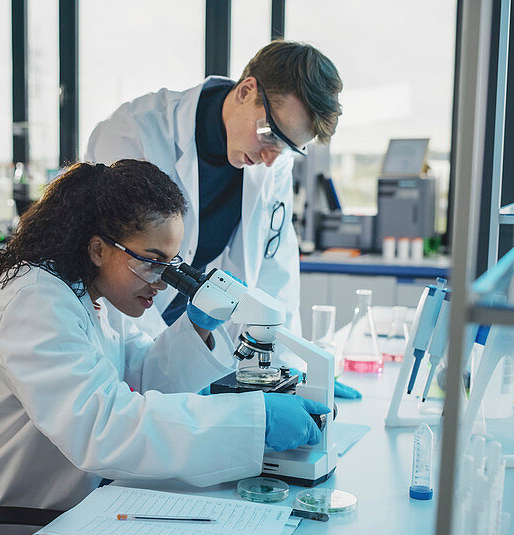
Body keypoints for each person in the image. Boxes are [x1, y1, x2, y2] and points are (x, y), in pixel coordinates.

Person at [0, 160, 327, 535]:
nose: (163, 283)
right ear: (98, 249)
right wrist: (254, 420)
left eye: (171, 264)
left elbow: (141, 377)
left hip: (58, 510)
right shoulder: (34, 301)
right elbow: (104, 427)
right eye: (152, 262)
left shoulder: (89, 292)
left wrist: (199, 325)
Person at [86, 40, 343, 348]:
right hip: (126, 330)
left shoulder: (272, 161)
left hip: (196, 331)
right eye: (271, 134)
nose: (271, 159)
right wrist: (160, 363)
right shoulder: (134, 132)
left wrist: (288, 366)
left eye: (287, 147)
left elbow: (276, 274)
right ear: (246, 91)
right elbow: (117, 268)